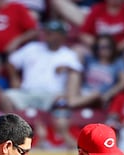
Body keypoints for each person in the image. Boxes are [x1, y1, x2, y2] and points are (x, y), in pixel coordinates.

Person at [5, 19, 84, 148]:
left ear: (62, 36)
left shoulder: (68, 55)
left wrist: (67, 68)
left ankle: (53, 138)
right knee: (5, 97)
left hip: (52, 96)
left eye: (53, 33)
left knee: (62, 101)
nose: (48, 36)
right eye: (47, 32)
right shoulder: (32, 48)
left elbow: (77, 73)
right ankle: (11, 132)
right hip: (26, 93)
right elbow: (11, 62)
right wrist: (14, 79)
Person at [66, 34, 124, 109]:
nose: (104, 50)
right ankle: (74, 101)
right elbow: (77, 55)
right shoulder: (91, 59)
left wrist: (108, 95)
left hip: (100, 96)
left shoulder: (118, 63)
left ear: (113, 47)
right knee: (74, 74)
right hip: (84, 92)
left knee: (95, 94)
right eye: (101, 47)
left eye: (107, 47)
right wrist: (64, 67)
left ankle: (71, 103)